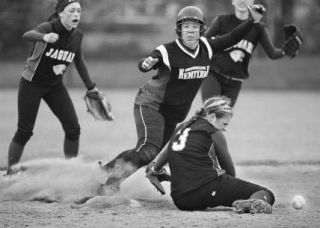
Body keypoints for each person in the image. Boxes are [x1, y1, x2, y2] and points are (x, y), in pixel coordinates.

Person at [100, 5, 265, 191]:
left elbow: (233, 37)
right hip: (151, 104)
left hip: (173, 113)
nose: (190, 31)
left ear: (201, 29)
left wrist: (251, 21)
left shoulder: (207, 47)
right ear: (179, 29)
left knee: (153, 153)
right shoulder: (167, 50)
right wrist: (146, 64)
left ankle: (105, 170)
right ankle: (109, 185)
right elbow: (148, 61)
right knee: (148, 150)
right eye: (186, 27)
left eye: (195, 27)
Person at [7, 0, 104, 174]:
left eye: (79, 11)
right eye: (72, 10)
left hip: (55, 87)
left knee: (73, 129)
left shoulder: (77, 35)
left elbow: (79, 60)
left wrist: (91, 87)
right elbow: (27, 34)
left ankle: (70, 172)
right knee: (24, 131)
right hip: (32, 84)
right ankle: (10, 172)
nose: (76, 14)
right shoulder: (48, 28)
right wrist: (43, 37)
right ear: (61, 13)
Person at [155, 96, 275, 213]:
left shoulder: (182, 127)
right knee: (265, 192)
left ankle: (247, 203)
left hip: (180, 200)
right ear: (212, 117)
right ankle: (254, 202)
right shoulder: (214, 132)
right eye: (224, 124)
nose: (223, 129)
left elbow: (187, 173)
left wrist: (162, 173)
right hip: (203, 193)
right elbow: (230, 172)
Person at [201, 0, 291, 107]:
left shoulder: (258, 27)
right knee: (211, 110)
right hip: (214, 75)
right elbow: (203, 43)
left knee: (222, 119)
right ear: (233, 1)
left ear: (252, 2)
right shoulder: (222, 21)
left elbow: (272, 53)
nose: (242, 1)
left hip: (235, 83)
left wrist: (286, 50)